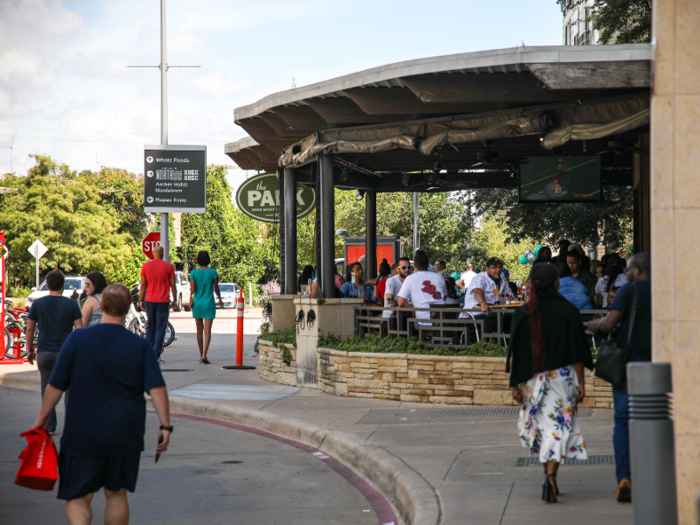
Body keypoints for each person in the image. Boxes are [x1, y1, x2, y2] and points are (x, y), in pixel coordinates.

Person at [31, 284, 171, 525]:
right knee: (116, 494)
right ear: (128, 310)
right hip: (125, 431)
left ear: (102, 306)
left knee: (78, 496)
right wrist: (165, 426)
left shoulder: (77, 340)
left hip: (82, 431)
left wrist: (41, 420)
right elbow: (157, 388)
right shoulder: (140, 346)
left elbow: (55, 385)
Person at [506, 263, 593, 503]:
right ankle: (551, 477)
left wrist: (515, 384)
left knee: (542, 426)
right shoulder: (568, 311)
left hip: (532, 380)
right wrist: (581, 384)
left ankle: (547, 474)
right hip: (562, 378)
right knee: (558, 426)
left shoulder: (523, 313)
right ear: (554, 282)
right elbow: (578, 352)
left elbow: (517, 352)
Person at [589, 252, 651, 503]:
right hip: (657, 364)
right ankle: (651, 475)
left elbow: (610, 322)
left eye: (628, 269)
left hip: (628, 362)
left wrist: (598, 325)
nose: (625, 274)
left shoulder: (629, 291)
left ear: (638, 269)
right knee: (652, 419)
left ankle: (625, 477)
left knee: (623, 420)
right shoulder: (666, 290)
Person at [26, 270, 83, 435]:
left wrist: (30, 350)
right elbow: (79, 329)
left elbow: (30, 329)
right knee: (70, 390)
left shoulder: (38, 304)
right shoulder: (72, 304)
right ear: (63, 286)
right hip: (66, 352)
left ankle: (50, 426)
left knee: (47, 388)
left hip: (44, 352)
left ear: (48, 285)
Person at [139, 245, 177, 363]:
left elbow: (143, 284)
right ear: (163, 254)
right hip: (163, 301)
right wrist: (175, 299)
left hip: (150, 300)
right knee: (161, 327)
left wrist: (141, 299)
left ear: (153, 253)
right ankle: (156, 354)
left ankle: (148, 353)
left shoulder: (145, 266)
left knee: (151, 326)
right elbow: (172, 285)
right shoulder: (169, 267)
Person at [460, 257, 514, 332]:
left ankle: (507, 343)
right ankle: (493, 343)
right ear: (487, 269)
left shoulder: (502, 280)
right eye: (494, 267)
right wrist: (483, 303)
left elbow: (509, 295)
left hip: (494, 313)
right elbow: (477, 291)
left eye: (500, 267)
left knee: (513, 320)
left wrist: (512, 299)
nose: (498, 269)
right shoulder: (480, 277)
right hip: (474, 314)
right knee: (495, 323)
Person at [189, 250, 224, 364]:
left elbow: (193, 290)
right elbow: (216, 289)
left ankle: (200, 354)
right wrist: (220, 299)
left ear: (198, 260)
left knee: (199, 330)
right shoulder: (213, 273)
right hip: (209, 303)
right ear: (208, 259)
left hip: (197, 303)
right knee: (207, 330)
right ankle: (205, 354)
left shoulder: (193, 273)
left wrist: (190, 295)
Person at [397, 250, 447, 327]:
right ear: (428, 265)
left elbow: (401, 303)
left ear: (414, 266)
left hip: (423, 322)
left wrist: (415, 307)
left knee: (410, 325)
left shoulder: (410, 278)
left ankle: (418, 338)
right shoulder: (439, 277)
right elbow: (444, 297)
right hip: (441, 322)